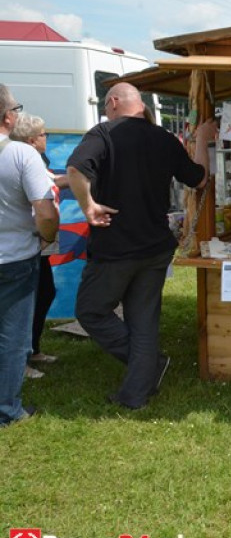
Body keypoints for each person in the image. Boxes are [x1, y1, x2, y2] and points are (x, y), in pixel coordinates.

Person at [66, 82, 216, 410]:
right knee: (144, 320)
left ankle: (145, 369)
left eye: (106, 105)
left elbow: (76, 169)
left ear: (116, 102)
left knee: (90, 311)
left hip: (115, 247)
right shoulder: (163, 138)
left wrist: (88, 205)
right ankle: (138, 388)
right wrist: (204, 140)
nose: (105, 111)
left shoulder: (103, 133)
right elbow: (200, 178)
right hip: (156, 247)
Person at [0, 85, 59, 426]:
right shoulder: (22, 155)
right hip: (15, 259)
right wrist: (45, 238)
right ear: (8, 117)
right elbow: (46, 213)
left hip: (16, 257)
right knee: (12, 338)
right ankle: (7, 410)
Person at [11, 113, 66, 378]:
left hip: (38, 244)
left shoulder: (37, 161)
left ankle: (32, 350)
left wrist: (81, 178)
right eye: (44, 134)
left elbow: (52, 183)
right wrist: (44, 233)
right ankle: (20, 362)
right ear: (32, 140)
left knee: (44, 294)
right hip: (31, 243)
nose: (48, 138)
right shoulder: (24, 159)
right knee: (28, 302)